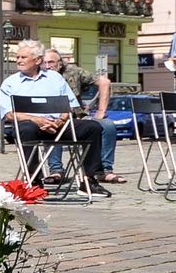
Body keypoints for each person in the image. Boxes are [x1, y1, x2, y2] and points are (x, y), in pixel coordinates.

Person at [0, 40, 109, 196]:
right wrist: (38, 120)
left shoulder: (55, 78)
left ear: (38, 60)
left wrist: (60, 121)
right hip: (31, 126)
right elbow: (9, 114)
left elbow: (69, 106)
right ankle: (34, 179)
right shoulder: (10, 83)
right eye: (17, 57)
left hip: (59, 126)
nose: (18, 61)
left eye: (23, 57)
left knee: (92, 127)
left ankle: (89, 180)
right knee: (26, 128)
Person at [43, 49, 121, 184]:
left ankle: (104, 170)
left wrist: (101, 111)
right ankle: (56, 170)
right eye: (44, 63)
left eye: (51, 62)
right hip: (52, 118)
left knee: (107, 125)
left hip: (77, 117)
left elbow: (104, 82)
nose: (47, 66)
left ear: (60, 63)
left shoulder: (73, 72)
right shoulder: (38, 76)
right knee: (53, 125)